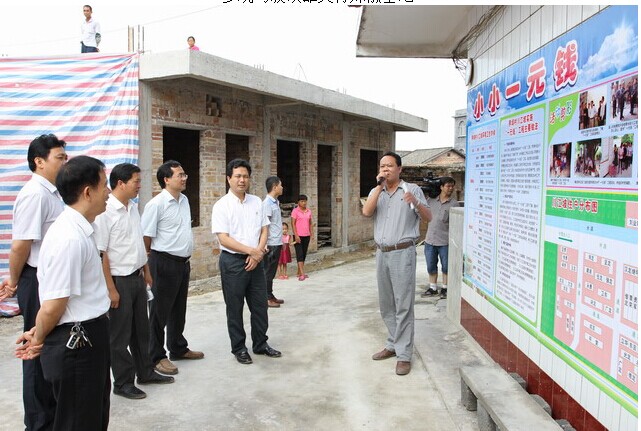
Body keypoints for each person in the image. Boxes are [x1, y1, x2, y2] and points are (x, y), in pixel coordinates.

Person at [15, 155, 111, 431]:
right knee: (78, 421)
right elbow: (54, 305)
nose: (108, 192)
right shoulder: (68, 237)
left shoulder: (82, 229)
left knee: (91, 416)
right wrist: (39, 337)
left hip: (90, 335)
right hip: (76, 343)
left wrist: (39, 332)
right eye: (104, 185)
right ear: (88, 191)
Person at [94, 163, 174, 400]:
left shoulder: (133, 208)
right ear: (121, 183)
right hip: (118, 281)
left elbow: (139, 243)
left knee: (141, 331)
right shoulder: (105, 213)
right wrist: (110, 289)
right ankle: (123, 382)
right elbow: (102, 253)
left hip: (137, 277)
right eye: (136, 181)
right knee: (119, 336)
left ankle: (146, 372)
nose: (140, 185)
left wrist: (146, 271)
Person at [3, 134, 66, 431]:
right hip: (36, 280)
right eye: (59, 157)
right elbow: (21, 246)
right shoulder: (35, 194)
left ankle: (50, 415)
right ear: (39, 162)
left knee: (50, 347)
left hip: (49, 280)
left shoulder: (53, 192)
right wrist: (13, 282)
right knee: (35, 346)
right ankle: (38, 422)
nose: (64, 162)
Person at [362, 151, 431, 376]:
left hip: (403, 253)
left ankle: (404, 355)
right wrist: (379, 187)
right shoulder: (377, 191)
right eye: (382, 166)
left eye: (390, 166)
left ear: (399, 169)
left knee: (403, 304)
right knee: (387, 303)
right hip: (382, 253)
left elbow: (429, 217)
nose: (386, 169)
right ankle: (393, 343)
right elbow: (366, 211)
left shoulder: (411, 190)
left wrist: (416, 203)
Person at [211, 158, 281, 365]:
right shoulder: (221, 206)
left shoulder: (256, 202)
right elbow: (223, 238)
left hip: (257, 260)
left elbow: (264, 229)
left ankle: (260, 343)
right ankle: (239, 348)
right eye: (238, 176)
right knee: (235, 307)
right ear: (228, 178)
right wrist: (252, 251)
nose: (242, 180)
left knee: (260, 305)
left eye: (245, 176)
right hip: (233, 262)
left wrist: (257, 253)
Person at [141, 160, 204, 376]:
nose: (184, 177)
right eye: (180, 175)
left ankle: (178, 347)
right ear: (166, 180)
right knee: (159, 312)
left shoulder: (184, 200)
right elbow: (146, 238)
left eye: (185, 174)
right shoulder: (156, 205)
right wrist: (150, 265)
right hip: (162, 262)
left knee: (179, 309)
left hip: (182, 263)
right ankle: (156, 355)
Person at [421, 177, 460, 299]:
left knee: (446, 266)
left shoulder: (454, 204)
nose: (451, 188)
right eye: (448, 186)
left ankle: (445, 288)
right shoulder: (431, 201)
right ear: (441, 187)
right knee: (431, 266)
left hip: (445, 241)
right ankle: (432, 287)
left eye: (452, 186)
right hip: (430, 240)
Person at [262, 176, 285, 308]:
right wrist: (264, 244)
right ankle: (266, 298)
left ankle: (270, 295)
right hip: (271, 243)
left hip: (277, 242)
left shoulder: (275, 202)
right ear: (275, 187)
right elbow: (265, 226)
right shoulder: (267, 204)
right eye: (280, 185)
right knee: (268, 271)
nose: (282, 188)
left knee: (271, 272)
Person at [291, 194, 313, 281]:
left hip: (306, 235)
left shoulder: (309, 211)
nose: (304, 203)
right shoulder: (295, 211)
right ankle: (302, 274)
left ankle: (299, 272)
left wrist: (312, 234)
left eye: (305, 201)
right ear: (298, 202)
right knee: (299, 254)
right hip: (298, 236)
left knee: (303, 254)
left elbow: (310, 223)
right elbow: (293, 223)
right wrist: (296, 235)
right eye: (302, 201)